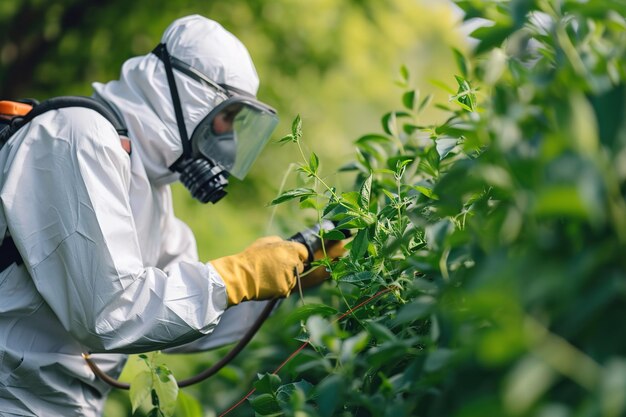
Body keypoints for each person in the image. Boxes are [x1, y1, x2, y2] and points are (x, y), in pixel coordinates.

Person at [0, 15, 337, 416]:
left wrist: (279, 282)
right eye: (227, 117)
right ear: (188, 93)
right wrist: (235, 277)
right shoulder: (80, 136)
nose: (226, 137)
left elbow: (170, 316)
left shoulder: (148, 184)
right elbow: (112, 312)